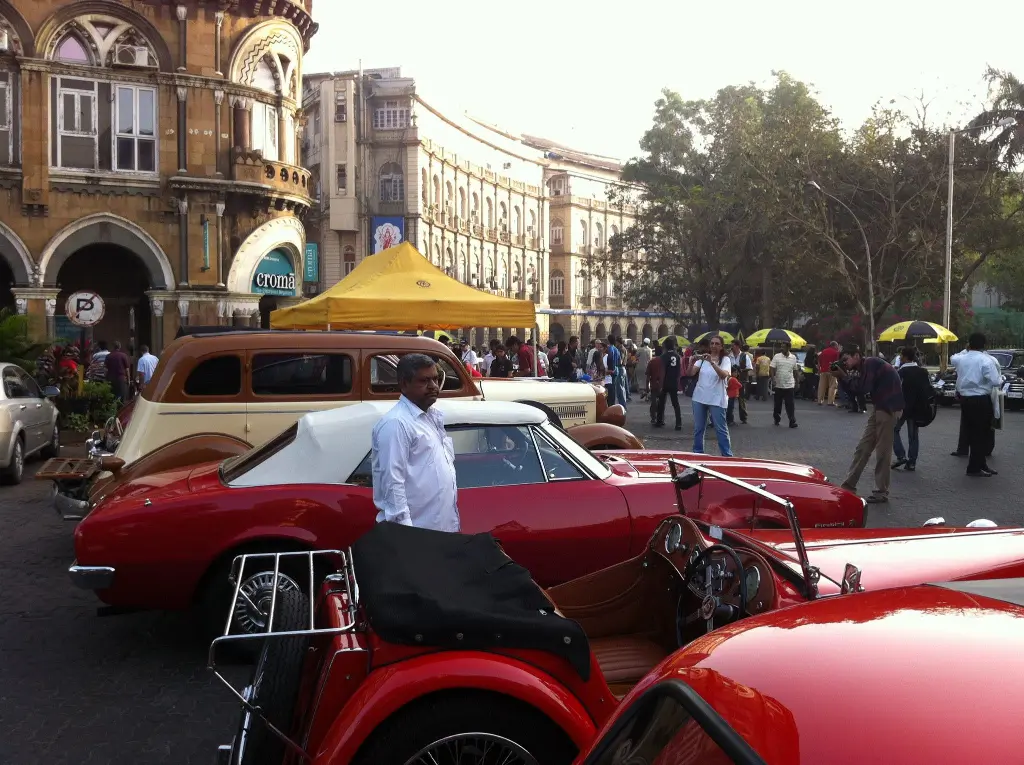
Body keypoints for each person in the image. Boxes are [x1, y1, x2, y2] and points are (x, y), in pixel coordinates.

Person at [371, 354, 459, 531]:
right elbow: (393, 485)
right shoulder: (397, 423)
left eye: (435, 379)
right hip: (416, 534)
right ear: (404, 384)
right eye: (424, 381)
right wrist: (408, 536)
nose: (433, 386)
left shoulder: (431, 417)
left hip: (441, 530)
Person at [833, 347, 905, 503]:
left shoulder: (870, 364)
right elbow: (854, 391)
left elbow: (862, 388)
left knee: (883, 451)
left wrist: (843, 376)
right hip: (880, 407)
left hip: (889, 407)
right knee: (863, 447)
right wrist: (841, 378)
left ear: (856, 355)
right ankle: (848, 486)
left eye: (846, 359)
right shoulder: (863, 367)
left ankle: (881, 491)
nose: (845, 363)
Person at [949, 333, 1002, 477]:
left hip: (965, 399)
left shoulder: (961, 359)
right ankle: (974, 467)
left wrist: (965, 349)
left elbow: (953, 357)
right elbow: (996, 381)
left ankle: (981, 464)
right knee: (981, 434)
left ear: (969, 344)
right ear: (984, 345)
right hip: (981, 399)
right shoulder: (986, 360)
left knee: (972, 432)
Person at [687, 335, 733, 455]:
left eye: (717, 344)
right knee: (699, 428)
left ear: (721, 346)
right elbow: (690, 373)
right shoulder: (703, 358)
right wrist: (691, 363)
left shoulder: (725, 360)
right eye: (712, 343)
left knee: (721, 429)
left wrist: (712, 362)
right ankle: (698, 453)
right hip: (699, 397)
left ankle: (727, 455)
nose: (713, 346)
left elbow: (723, 375)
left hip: (717, 399)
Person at [891, 346, 933, 472]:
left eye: (901, 356)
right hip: (918, 408)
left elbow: (895, 390)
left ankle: (901, 456)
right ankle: (912, 462)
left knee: (893, 430)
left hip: (903, 407)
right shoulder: (923, 372)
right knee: (913, 436)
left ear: (904, 357)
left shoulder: (901, 372)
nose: (900, 358)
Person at [770, 343, 800, 428]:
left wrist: (797, 382)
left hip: (789, 385)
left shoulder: (793, 357)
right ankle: (777, 419)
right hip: (779, 385)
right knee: (777, 405)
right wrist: (773, 379)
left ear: (788, 348)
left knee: (790, 405)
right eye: (781, 347)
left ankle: (792, 421)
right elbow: (772, 368)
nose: (782, 348)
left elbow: (795, 370)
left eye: (783, 347)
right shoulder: (777, 356)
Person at [656, 338, 683, 430]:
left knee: (661, 403)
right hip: (673, 382)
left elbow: (662, 371)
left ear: (665, 346)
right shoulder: (677, 356)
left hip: (665, 382)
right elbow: (679, 371)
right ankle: (678, 423)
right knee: (675, 404)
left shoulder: (663, 356)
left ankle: (659, 421)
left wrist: (660, 385)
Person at [817, 341, 841, 406]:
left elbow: (819, 362)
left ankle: (820, 400)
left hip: (823, 371)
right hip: (832, 371)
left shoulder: (823, 351)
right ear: (834, 345)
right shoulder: (836, 352)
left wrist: (819, 370)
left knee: (822, 386)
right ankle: (830, 402)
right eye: (837, 346)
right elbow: (838, 362)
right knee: (832, 386)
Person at [647, 345, 664, 425]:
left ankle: (653, 418)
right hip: (662, 385)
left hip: (653, 385)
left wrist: (647, 386)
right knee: (662, 403)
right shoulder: (664, 361)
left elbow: (648, 375)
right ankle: (661, 419)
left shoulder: (652, 361)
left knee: (653, 403)